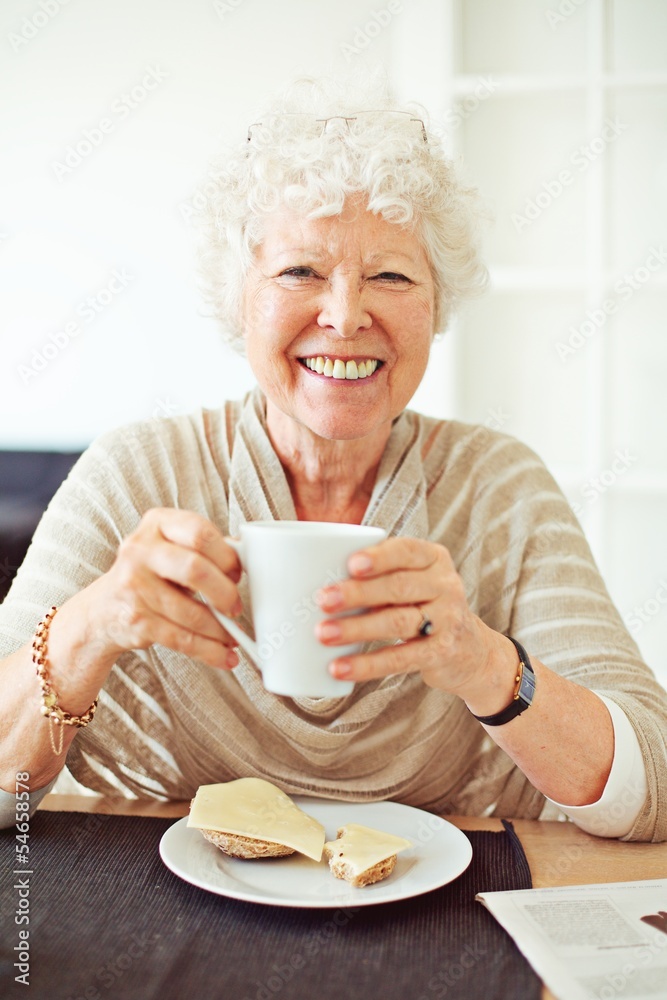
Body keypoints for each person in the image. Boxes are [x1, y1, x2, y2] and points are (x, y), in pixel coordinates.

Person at [1, 78, 666, 841]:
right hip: (179, 907)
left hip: (433, 918)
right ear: (239, 300)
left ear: (435, 306)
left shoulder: (499, 487)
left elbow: (654, 791)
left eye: (390, 275)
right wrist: (90, 627)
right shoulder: (136, 474)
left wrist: (482, 663)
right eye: (299, 272)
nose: (346, 315)